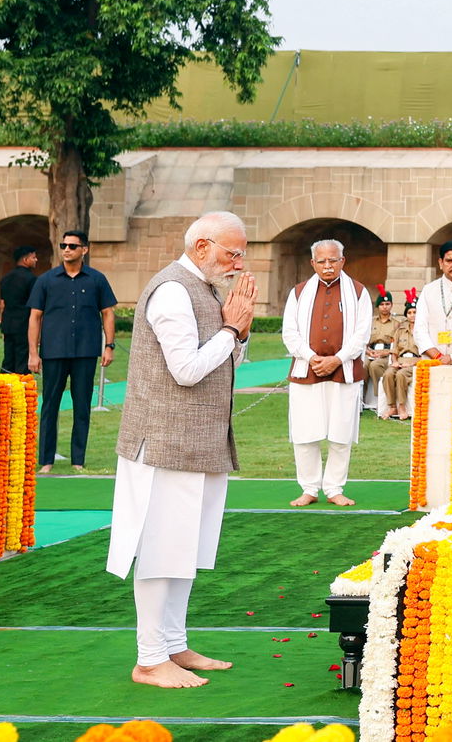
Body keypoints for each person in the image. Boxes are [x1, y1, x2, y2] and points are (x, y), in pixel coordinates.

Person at [105, 210, 256, 689]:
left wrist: (241, 331)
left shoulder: (207, 288)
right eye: (233, 252)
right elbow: (187, 369)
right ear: (202, 246)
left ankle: (173, 644)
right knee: (160, 551)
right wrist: (232, 330)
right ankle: (149, 658)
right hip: (165, 443)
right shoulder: (172, 290)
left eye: (241, 252)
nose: (239, 261)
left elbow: (225, 356)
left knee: (185, 549)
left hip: (199, 441)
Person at [280, 239, 370, 508]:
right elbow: (290, 333)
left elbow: (362, 333)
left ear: (343, 261)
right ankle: (309, 488)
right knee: (305, 432)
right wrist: (312, 358)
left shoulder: (358, 292)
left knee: (340, 433)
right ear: (313, 263)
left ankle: (334, 488)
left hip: (344, 370)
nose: (328, 266)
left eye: (333, 260)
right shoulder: (298, 292)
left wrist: (337, 359)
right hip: (306, 369)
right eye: (322, 261)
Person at [28, 230, 117, 473]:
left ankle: (78, 460)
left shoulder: (97, 280)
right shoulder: (45, 280)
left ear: (84, 250)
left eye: (72, 246)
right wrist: (33, 353)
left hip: (86, 352)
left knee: (82, 406)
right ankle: (46, 461)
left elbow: (108, 312)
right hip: (54, 352)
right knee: (49, 407)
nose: (66, 249)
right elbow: (35, 316)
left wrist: (109, 346)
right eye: (63, 245)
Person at [0, 245, 40, 374]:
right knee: (22, 360)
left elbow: (2, 304)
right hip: (24, 324)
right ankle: (21, 389)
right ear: (25, 260)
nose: (36, 260)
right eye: (33, 257)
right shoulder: (32, 279)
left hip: (8, 324)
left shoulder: (5, 278)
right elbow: (35, 306)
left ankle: (4, 389)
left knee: (8, 360)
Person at [381, 292, 421, 420]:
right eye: (409, 313)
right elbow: (394, 350)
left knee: (400, 374)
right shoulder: (400, 330)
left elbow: (426, 353)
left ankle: (402, 406)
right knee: (388, 374)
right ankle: (392, 406)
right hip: (400, 360)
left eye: (415, 312)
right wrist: (395, 361)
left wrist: (412, 363)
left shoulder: (424, 331)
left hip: (415, 362)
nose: (412, 315)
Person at [364, 288, 402, 419]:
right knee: (363, 365)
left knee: (376, 366)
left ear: (391, 305)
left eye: (387, 304)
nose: (384, 307)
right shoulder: (371, 322)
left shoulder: (397, 324)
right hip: (371, 351)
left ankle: (377, 399)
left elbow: (397, 344)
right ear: (377, 306)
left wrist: (385, 352)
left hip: (387, 354)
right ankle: (361, 401)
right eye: (382, 304)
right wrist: (368, 351)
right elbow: (364, 340)